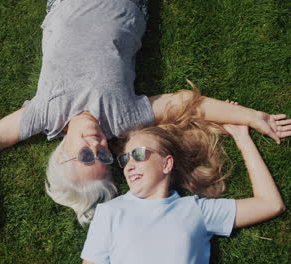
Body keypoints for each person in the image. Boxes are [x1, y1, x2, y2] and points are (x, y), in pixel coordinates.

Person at [0, 0, 291, 252]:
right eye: (104, 159)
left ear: (63, 153)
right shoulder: (122, 119)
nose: (98, 147)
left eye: (85, 157)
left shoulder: (45, 116)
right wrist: (253, 117)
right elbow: (183, 103)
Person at [80, 100, 286, 264]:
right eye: (125, 159)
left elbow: (270, 204)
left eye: (139, 154)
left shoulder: (196, 210)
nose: (129, 165)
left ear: (166, 164)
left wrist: (242, 138)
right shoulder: (109, 212)